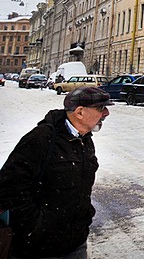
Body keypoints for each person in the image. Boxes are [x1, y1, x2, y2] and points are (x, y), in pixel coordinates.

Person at [0, 86, 113, 259]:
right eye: (101, 108)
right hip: (39, 249)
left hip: (76, 242)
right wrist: (35, 228)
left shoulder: (85, 140)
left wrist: (85, 217)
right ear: (80, 112)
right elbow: (9, 188)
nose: (106, 113)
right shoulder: (41, 139)